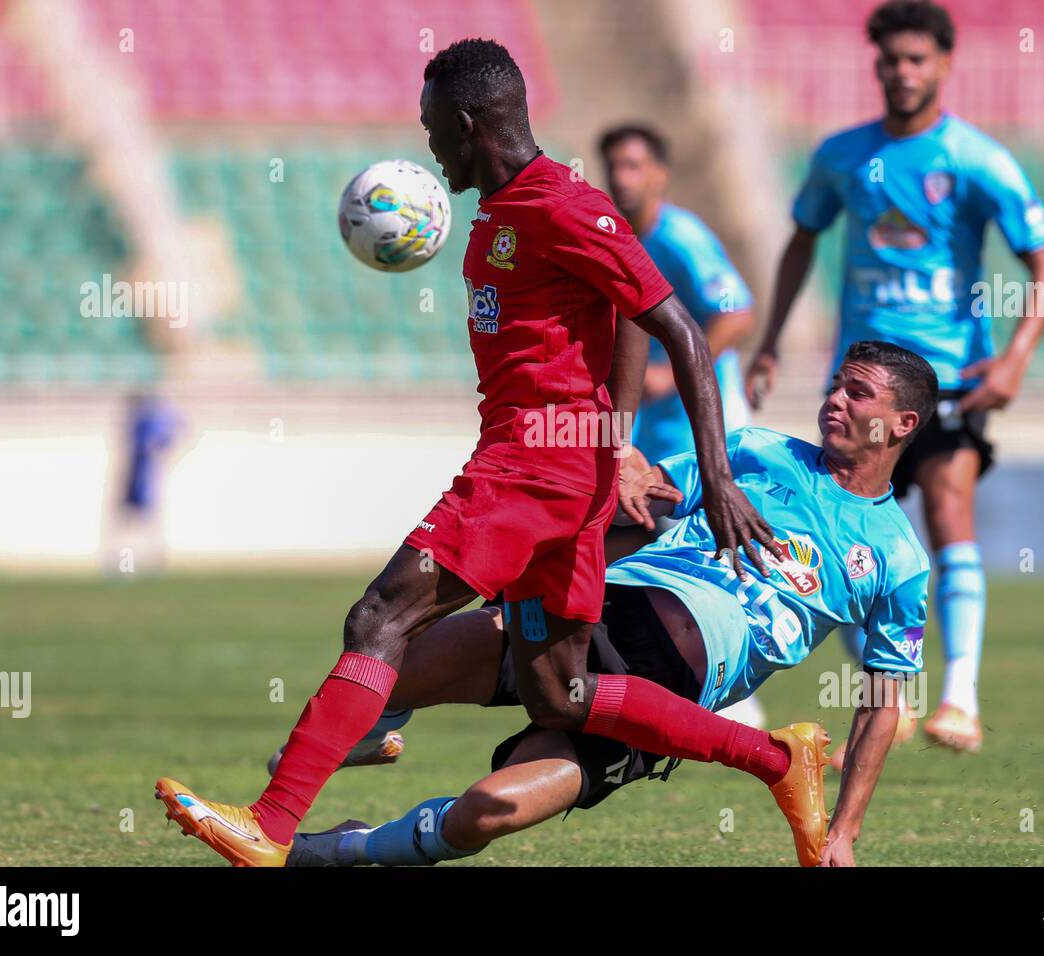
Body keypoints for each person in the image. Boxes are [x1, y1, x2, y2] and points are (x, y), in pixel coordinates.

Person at [155, 38, 786, 867]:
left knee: (380, 615)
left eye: (431, 131)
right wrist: (616, 439)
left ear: (466, 124)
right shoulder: (502, 210)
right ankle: (777, 760)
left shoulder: (565, 205)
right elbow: (626, 312)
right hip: (558, 472)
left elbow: (679, 328)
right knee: (559, 690)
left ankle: (270, 826)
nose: (428, 148)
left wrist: (714, 476)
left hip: (531, 472)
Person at [287, 341, 937, 869]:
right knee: (388, 664)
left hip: (671, 694)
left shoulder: (898, 560)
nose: (833, 401)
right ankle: (310, 777)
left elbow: (883, 701)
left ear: (902, 424)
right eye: (836, 385)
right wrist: (623, 470)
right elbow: (648, 492)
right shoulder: (757, 451)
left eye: (857, 393)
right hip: (604, 608)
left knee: (486, 813)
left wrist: (844, 832)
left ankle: (345, 849)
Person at [745, 0, 1044, 754]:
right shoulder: (844, 156)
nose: (902, 72)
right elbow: (802, 240)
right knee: (836, 542)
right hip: (860, 388)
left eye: (917, 59)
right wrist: (771, 343)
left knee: (951, 511)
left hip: (949, 383)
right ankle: (890, 686)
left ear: (945, 65)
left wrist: (1016, 359)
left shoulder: (977, 159)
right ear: (876, 66)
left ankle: (960, 699)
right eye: (890, 60)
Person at [598, 123, 766, 730]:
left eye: (635, 166)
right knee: (643, 540)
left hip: (702, 421)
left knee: (722, 549)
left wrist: (671, 367)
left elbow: (737, 313)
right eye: (614, 166)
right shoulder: (610, 238)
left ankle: (742, 695)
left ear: (660, 174)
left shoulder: (681, 236)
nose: (623, 178)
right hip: (646, 430)